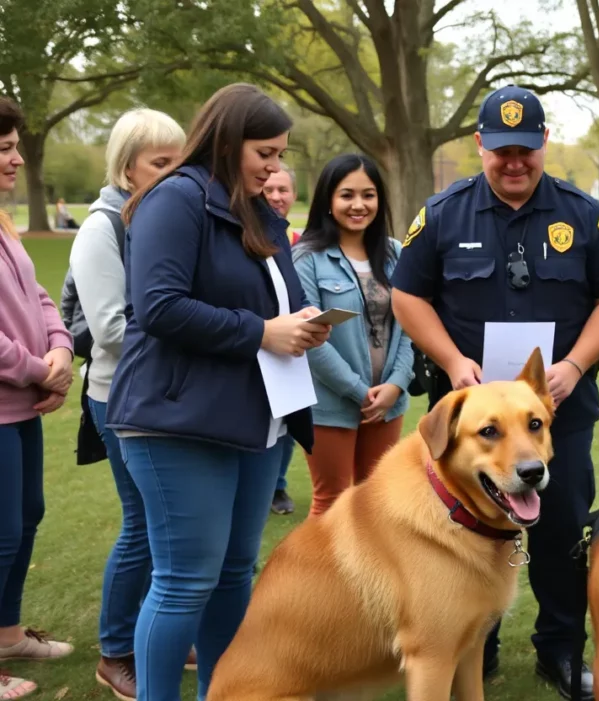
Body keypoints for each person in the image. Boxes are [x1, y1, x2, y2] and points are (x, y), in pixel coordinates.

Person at [390, 84, 599, 700]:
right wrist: (452, 361)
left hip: (555, 418)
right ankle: (475, 649)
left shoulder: (583, 214)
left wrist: (575, 365)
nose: (515, 162)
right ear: (480, 145)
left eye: (526, 149)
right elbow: (407, 296)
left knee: (560, 534)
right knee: (463, 537)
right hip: (470, 426)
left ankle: (560, 652)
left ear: (544, 142)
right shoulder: (443, 215)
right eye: (502, 151)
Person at [103, 83, 331, 701]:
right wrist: (262, 331)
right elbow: (158, 306)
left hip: (255, 418)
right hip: (175, 420)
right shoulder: (174, 199)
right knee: (184, 580)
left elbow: (272, 302)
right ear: (227, 143)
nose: (274, 169)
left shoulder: (258, 210)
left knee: (233, 573)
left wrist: (299, 324)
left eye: (280, 155)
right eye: (265, 153)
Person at [69, 107, 188, 699]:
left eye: (179, 162)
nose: (174, 173)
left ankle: (151, 635)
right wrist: (195, 330)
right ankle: (115, 651)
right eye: (160, 163)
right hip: (118, 396)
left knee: (160, 526)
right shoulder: (101, 228)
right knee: (142, 525)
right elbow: (111, 330)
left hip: (160, 391)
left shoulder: (158, 216)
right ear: (126, 168)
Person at [0, 97, 75, 700]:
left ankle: (7, 634)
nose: (18, 159)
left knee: (26, 518)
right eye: (5, 148)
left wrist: (61, 349)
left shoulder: (3, 220)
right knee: (0, 532)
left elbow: (39, 295)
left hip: (23, 404)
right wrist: (36, 372)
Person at [292, 154, 414, 517]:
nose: (358, 205)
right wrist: (358, 391)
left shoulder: (395, 253)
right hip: (331, 403)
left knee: (376, 503)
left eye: (368, 195)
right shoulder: (306, 258)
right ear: (328, 200)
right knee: (331, 504)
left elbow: (410, 324)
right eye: (347, 195)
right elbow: (310, 339)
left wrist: (397, 383)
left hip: (387, 402)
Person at [262, 164, 300, 515]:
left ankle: (277, 484)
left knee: (289, 427)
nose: (276, 197)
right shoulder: (252, 237)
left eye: (283, 190)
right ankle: (271, 487)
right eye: (269, 189)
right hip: (263, 348)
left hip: (293, 358)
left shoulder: (298, 242)